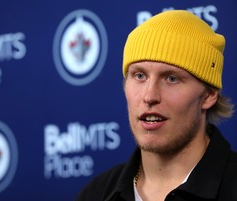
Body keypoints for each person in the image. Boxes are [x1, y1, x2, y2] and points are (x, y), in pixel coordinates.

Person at [75, 10, 237, 201]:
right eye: (139, 76)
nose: (149, 96)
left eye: (171, 78)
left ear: (209, 95)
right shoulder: (96, 194)